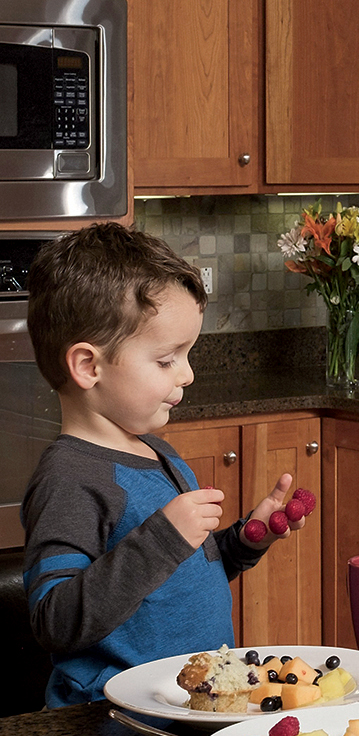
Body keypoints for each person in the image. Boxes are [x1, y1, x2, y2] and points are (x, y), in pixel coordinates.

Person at [23, 224, 304, 707]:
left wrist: (240, 543)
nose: (189, 373)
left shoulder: (159, 453)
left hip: (182, 711)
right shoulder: (70, 479)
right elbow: (55, 620)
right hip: (110, 727)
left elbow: (169, 583)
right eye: (167, 359)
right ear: (89, 366)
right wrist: (163, 539)